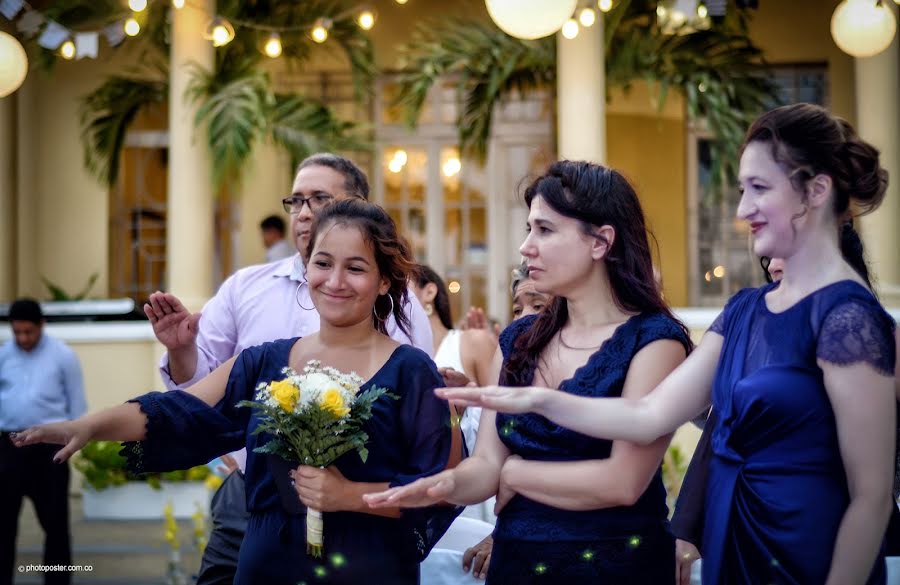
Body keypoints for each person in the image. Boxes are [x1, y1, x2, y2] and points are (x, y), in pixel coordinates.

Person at [435, 104, 897, 585]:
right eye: (742, 191)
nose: (742, 210)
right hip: (737, 537)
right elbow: (647, 416)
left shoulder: (848, 317)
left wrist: (516, 471)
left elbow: (872, 497)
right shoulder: (744, 309)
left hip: (806, 545)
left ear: (815, 192)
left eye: (759, 189)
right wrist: (536, 399)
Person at [13, 199, 461, 585]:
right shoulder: (263, 361)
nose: (335, 280)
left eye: (356, 268)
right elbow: (177, 410)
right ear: (306, 267)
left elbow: (442, 486)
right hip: (268, 564)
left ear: (384, 281)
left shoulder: (411, 371)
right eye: (323, 263)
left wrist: (347, 496)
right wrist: (88, 425)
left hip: (366, 567)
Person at [367, 160, 693, 583]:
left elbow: (622, 482)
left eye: (545, 230)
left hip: (614, 565)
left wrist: (516, 473)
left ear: (601, 242)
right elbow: (485, 463)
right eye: (528, 229)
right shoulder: (520, 340)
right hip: (517, 562)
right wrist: (439, 486)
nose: (526, 247)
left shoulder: (655, 340)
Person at [143, 153, 434, 585]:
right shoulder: (246, 287)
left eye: (319, 198)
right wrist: (182, 349)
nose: (304, 213)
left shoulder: (398, 303)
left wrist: (350, 492)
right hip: (252, 493)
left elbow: (409, 405)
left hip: (353, 508)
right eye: (295, 201)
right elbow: (202, 394)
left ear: (355, 206)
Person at [0, 299, 87, 585]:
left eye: (29, 332)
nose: (23, 338)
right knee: (3, 526)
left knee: (56, 526)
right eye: (18, 332)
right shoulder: (3, 356)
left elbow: (76, 408)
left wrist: (67, 446)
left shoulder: (63, 356)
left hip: (49, 451)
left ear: (42, 326)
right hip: (9, 448)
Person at [412, 265, 497, 455]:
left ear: (429, 292)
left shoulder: (472, 341)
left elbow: (504, 419)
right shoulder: (395, 355)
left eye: (401, 284)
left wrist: (468, 398)